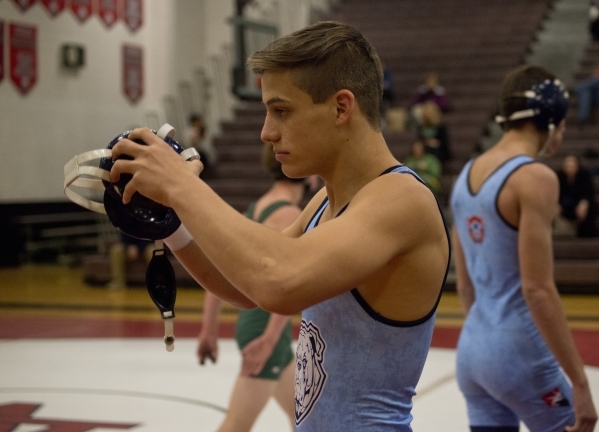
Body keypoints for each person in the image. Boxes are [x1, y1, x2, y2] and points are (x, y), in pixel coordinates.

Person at [109, 21, 451, 431]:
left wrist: (181, 185)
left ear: (342, 108)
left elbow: (279, 281)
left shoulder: (403, 199)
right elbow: (242, 285)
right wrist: (171, 223)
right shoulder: (326, 199)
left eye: (281, 110)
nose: (266, 132)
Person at [450, 64, 597, 432]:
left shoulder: (465, 177)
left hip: (472, 351)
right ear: (551, 120)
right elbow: (537, 289)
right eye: (561, 127)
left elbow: (465, 285)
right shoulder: (535, 178)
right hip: (517, 353)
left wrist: (487, 348)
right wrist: (579, 382)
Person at [197, 143, 305, 432]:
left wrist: (209, 329)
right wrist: (269, 340)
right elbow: (288, 286)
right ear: (309, 173)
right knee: (237, 425)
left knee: (306, 418)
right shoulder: (290, 213)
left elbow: (220, 272)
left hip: (262, 328)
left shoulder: (258, 206)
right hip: (264, 330)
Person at [556, 154, 597, 238]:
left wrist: (584, 202)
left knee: (587, 211)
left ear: (577, 165)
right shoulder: (560, 177)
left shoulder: (584, 175)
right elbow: (556, 194)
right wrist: (556, 204)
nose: (569, 167)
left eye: (571, 165)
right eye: (567, 165)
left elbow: (588, 193)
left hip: (580, 208)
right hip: (565, 207)